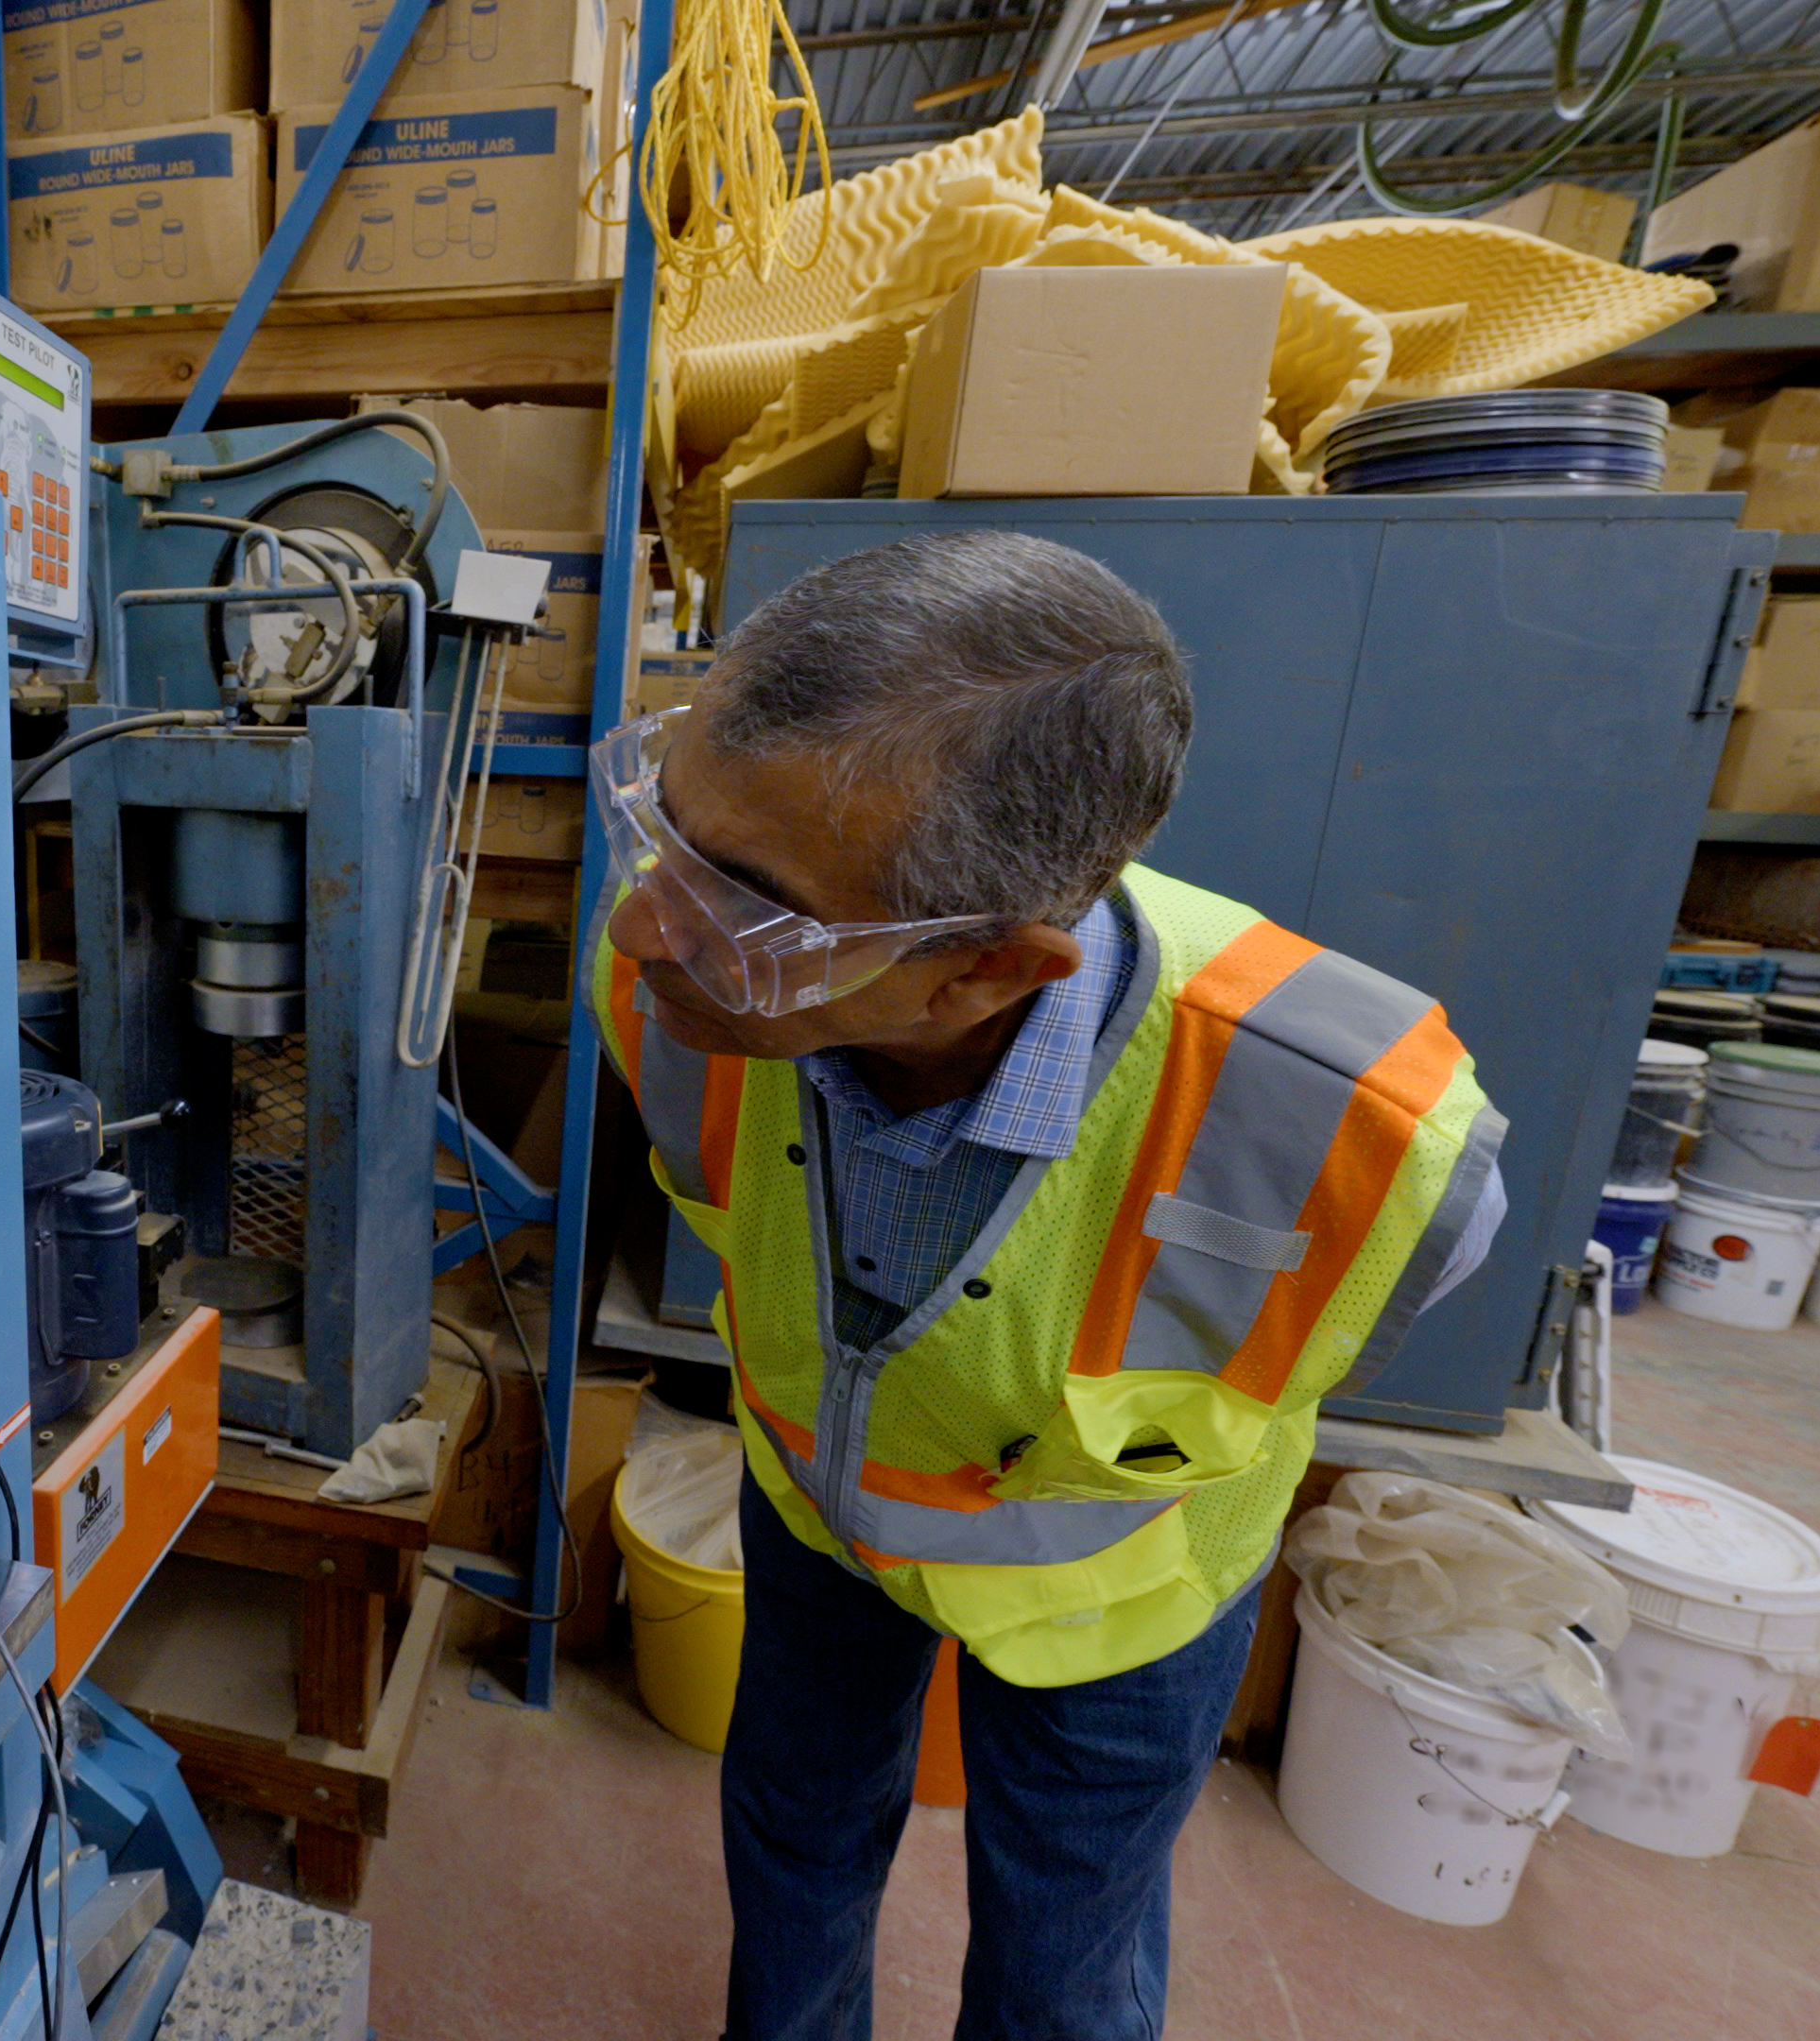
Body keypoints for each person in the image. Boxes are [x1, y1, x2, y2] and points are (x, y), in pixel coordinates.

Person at [586, 532, 1507, 2041]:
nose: (641, 927)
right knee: (795, 1839)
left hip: (1120, 1584)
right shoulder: (676, 981)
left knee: (1066, 1948)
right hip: (819, 1505)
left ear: (990, 975)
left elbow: (1381, 1295)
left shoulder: (1352, 1125)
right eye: (662, 831)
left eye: (744, 904)